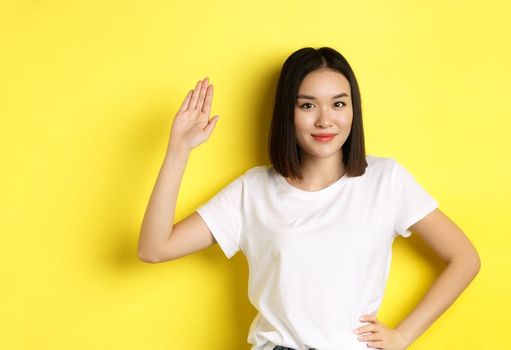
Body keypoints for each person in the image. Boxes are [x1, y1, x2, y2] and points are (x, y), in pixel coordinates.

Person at [138, 47, 481, 350]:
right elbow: (155, 248)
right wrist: (178, 150)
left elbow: (464, 258)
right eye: (307, 105)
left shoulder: (385, 180)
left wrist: (403, 337)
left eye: (338, 104)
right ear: (288, 112)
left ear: (353, 109)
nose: (324, 120)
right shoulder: (253, 191)